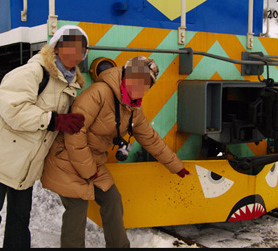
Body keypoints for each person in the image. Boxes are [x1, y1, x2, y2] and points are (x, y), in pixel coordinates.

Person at [41, 56, 191, 248]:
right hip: (66, 158)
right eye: (136, 78)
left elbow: (150, 138)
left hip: (91, 161)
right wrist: (88, 171)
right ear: (125, 75)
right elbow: (75, 133)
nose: (139, 85)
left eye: (146, 82)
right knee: (77, 207)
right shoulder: (99, 93)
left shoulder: (132, 107)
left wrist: (176, 166)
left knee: (112, 199)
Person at [0, 25, 89, 248]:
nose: (75, 53)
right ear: (57, 48)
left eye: (81, 50)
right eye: (70, 46)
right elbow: (12, 108)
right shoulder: (34, 71)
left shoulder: (69, 84)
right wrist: (54, 120)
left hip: (26, 162)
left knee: (20, 220)